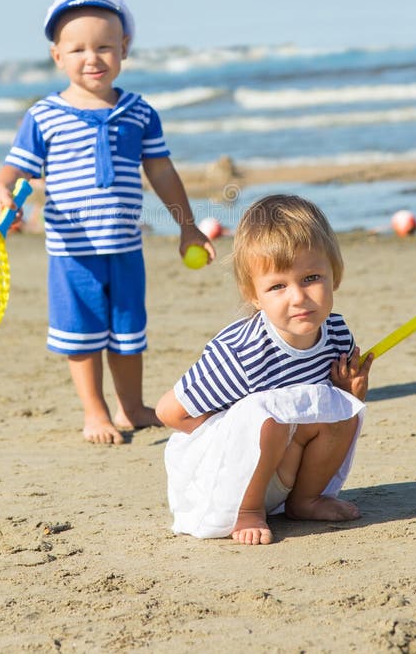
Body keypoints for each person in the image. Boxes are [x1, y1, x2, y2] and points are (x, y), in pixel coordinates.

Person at [0, 0, 214, 445]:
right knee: (82, 335)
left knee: (129, 330)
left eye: (104, 47)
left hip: (125, 246)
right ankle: (95, 412)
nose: (91, 58)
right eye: (77, 49)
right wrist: (4, 195)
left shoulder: (139, 112)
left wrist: (187, 226)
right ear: (57, 55)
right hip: (72, 251)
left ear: (124, 48)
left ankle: (131, 406)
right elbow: (14, 172)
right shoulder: (44, 116)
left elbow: (162, 172)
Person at [156, 194, 373, 545]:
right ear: (254, 295)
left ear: (336, 274)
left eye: (311, 277)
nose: (298, 297)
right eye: (277, 286)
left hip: (283, 468)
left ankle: (305, 500)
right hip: (226, 477)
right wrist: (234, 430)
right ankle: (247, 512)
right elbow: (169, 412)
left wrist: (350, 394)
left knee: (340, 410)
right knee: (270, 415)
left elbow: (327, 412)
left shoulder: (336, 333)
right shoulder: (243, 353)